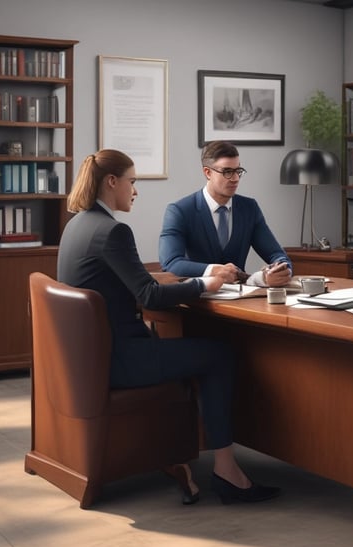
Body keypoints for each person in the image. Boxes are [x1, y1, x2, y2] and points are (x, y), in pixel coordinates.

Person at [57, 149, 280, 505]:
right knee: (219, 355)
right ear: (111, 182)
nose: (135, 190)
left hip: (90, 358)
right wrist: (204, 285)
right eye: (132, 181)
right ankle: (227, 471)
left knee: (198, 349)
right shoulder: (113, 231)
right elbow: (149, 295)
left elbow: (134, 283)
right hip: (120, 360)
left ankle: (181, 449)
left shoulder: (78, 225)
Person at [159, 140, 292, 287]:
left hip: (240, 300)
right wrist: (214, 270)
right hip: (197, 300)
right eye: (227, 172)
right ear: (207, 172)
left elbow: (276, 254)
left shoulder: (249, 208)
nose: (235, 178)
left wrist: (281, 269)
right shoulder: (180, 211)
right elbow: (171, 263)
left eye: (238, 171)